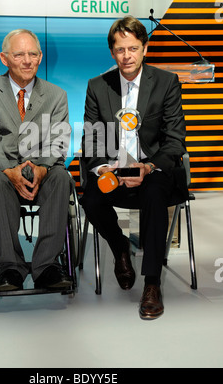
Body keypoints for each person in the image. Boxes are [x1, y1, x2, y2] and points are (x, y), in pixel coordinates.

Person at [80, 16, 188, 320]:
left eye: (133, 48)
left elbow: (175, 140)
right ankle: (121, 248)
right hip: (113, 170)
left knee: (154, 194)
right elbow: (92, 139)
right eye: (119, 49)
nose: (126, 56)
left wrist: (148, 166)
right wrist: (104, 169)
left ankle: (152, 283)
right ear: (112, 53)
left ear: (145, 48)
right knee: (89, 198)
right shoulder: (98, 86)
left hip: (153, 170)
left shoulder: (166, 82)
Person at [0, 29, 73, 291]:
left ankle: (47, 266)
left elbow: (58, 139)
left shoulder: (56, 95)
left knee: (61, 177)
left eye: (33, 54)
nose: (27, 60)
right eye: (19, 54)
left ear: (40, 57)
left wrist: (43, 167)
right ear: (5, 59)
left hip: (40, 167)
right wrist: (8, 170)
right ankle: (10, 268)